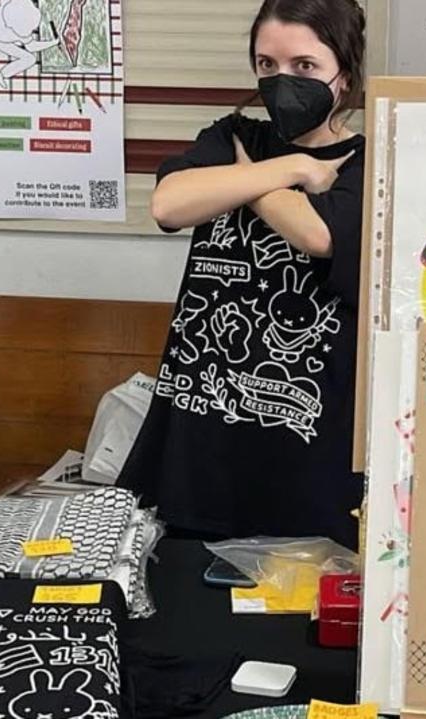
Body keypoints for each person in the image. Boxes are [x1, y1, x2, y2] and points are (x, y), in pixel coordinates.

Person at [117, 0, 367, 549]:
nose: (283, 82)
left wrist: (241, 179)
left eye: (304, 66)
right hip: (197, 443)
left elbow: (318, 234)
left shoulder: (364, 163)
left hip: (304, 449)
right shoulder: (231, 132)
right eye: (267, 66)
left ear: (342, 76)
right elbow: (170, 204)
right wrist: (293, 169)